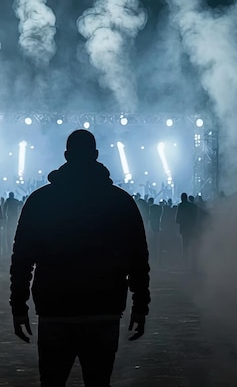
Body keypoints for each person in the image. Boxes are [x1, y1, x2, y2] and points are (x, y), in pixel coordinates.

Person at [10, 130, 150, 387]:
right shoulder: (120, 201)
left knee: (52, 382)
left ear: (66, 155)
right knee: (98, 382)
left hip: (55, 310)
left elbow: (22, 258)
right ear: (96, 155)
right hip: (103, 309)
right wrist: (141, 305)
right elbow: (138, 258)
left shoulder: (40, 200)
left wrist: (18, 307)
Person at [175, 193, 198, 271]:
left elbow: (177, 219)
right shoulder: (191, 206)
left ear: (181, 198)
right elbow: (195, 216)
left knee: (185, 246)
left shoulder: (180, 206)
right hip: (191, 227)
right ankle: (194, 264)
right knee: (193, 246)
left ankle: (185, 264)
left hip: (184, 228)